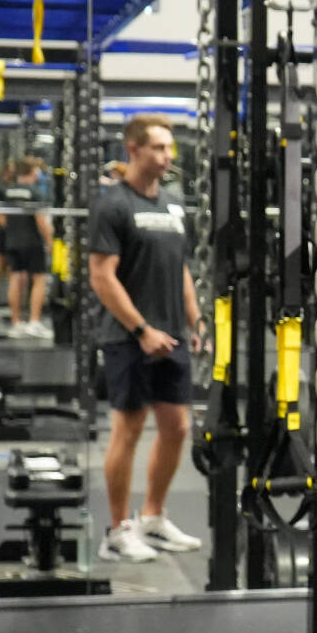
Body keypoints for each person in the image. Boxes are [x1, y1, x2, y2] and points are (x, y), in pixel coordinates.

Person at [87, 115, 204, 563]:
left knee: (176, 429)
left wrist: (193, 318)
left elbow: (181, 269)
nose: (168, 156)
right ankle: (119, 529)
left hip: (170, 334)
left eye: (169, 148)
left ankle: (153, 517)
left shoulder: (174, 205)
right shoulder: (113, 205)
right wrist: (141, 329)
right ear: (132, 150)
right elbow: (102, 277)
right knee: (128, 431)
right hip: (128, 337)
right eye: (158, 147)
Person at [0, 156, 54, 339]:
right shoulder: (35, 192)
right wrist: (50, 241)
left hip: (12, 241)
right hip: (32, 242)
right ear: (32, 172)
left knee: (16, 278)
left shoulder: (7, 191)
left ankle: (16, 322)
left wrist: (10, 228)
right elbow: (41, 220)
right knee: (39, 279)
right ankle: (34, 322)